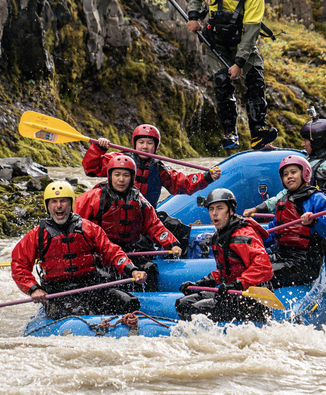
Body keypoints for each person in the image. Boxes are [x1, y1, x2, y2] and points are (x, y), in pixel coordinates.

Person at [11, 180, 147, 320]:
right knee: (80, 312)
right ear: (48, 205)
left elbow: (111, 251)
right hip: (59, 292)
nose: (59, 206)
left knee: (129, 302)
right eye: (54, 202)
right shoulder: (37, 235)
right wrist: (34, 288)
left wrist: (132, 270)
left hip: (91, 286)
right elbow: (19, 265)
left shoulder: (88, 228)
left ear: (71, 203)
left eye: (63, 201)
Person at [186, 0, 277, 150]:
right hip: (216, 44)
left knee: (255, 82)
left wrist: (239, 64)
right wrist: (193, 17)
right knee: (222, 82)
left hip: (242, 46)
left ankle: (258, 135)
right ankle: (230, 133)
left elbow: (251, 35)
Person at [82, 123, 220, 248]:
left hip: (145, 215)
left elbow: (181, 183)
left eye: (149, 143)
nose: (145, 147)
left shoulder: (159, 168)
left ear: (156, 147)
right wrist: (98, 149)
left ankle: (175, 260)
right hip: (116, 217)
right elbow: (91, 168)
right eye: (141, 142)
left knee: (177, 228)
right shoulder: (119, 161)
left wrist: (206, 177)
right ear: (134, 144)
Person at [75, 154, 182, 291]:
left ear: (132, 178)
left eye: (126, 175)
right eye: (117, 175)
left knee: (149, 269)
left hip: (129, 250)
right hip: (102, 253)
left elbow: (154, 225)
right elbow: (76, 225)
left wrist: (172, 243)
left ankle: (149, 302)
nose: (121, 179)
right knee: (104, 276)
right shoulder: (93, 198)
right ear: (110, 176)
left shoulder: (139, 200)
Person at [175, 188, 273, 322]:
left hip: (251, 297)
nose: (214, 213)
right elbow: (224, 271)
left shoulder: (244, 235)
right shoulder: (218, 236)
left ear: (231, 211)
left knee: (196, 310)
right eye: (211, 209)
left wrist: (238, 284)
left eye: (220, 208)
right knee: (182, 304)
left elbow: (264, 268)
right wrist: (200, 284)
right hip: (231, 292)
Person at [243, 117, 326, 217]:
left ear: (317, 141)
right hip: (303, 215)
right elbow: (285, 194)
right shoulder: (306, 161)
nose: (303, 144)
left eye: (305, 140)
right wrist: (258, 209)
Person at [265, 156, 326, 288]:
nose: (289, 176)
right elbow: (271, 232)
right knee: (250, 269)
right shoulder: (284, 201)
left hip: (306, 262)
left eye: (293, 172)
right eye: (285, 174)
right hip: (282, 254)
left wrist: (315, 221)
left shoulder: (317, 197)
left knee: (263, 275)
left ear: (305, 173)